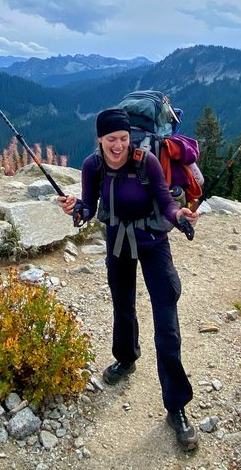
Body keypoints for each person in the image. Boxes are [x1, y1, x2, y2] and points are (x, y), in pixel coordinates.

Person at [58, 107, 200, 451]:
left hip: (153, 243)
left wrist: (178, 214)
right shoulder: (93, 166)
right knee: (122, 306)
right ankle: (126, 357)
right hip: (118, 240)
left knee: (166, 321)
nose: (119, 145)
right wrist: (77, 209)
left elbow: (165, 202)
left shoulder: (146, 161)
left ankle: (177, 406)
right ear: (100, 140)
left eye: (123, 138)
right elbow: (91, 208)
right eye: (111, 140)